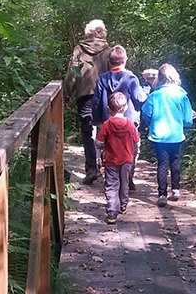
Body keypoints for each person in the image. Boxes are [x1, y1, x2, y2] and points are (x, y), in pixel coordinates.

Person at [63, 19, 111, 185]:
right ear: (102, 32)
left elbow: (73, 73)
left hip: (85, 96)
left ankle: (91, 168)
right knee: (106, 130)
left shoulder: (79, 50)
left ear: (88, 32)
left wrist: (66, 94)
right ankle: (108, 168)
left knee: (87, 131)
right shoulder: (109, 51)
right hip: (105, 97)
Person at [92, 45, 147, 190]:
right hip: (129, 122)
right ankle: (128, 177)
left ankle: (112, 178)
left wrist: (96, 119)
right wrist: (146, 88)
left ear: (109, 62)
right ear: (125, 60)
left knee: (109, 149)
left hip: (108, 121)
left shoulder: (102, 79)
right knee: (132, 149)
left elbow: (97, 101)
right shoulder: (131, 78)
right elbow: (139, 98)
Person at [141, 63, 194, 207]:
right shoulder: (182, 95)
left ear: (160, 77)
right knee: (175, 161)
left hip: (159, 135)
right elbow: (188, 118)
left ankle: (162, 194)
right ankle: (176, 190)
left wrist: (151, 122)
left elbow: (146, 112)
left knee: (162, 164)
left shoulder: (154, 95)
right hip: (176, 135)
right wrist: (184, 122)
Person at [95, 92, 140, 224]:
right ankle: (123, 205)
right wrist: (134, 152)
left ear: (108, 109)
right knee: (124, 182)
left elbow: (98, 143)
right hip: (127, 159)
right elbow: (136, 142)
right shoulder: (130, 124)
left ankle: (111, 212)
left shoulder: (107, 124)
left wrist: (103, 147)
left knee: (111, 185)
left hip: (111, 160)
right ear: (125, 108)